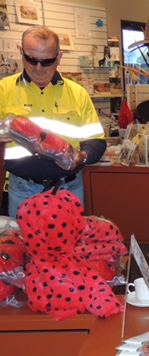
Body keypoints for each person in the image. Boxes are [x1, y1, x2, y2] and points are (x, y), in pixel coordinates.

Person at [0, 26, 106, 218]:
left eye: (47, 61)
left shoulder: (77, 93)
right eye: (31, 59)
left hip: (68, 188)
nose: (38, 68)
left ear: (59, 57)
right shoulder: (3, 90)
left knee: (70, 246)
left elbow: (96, 140)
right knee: (23, 247)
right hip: (21, 189)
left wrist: (82, 156)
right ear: (21, 51)